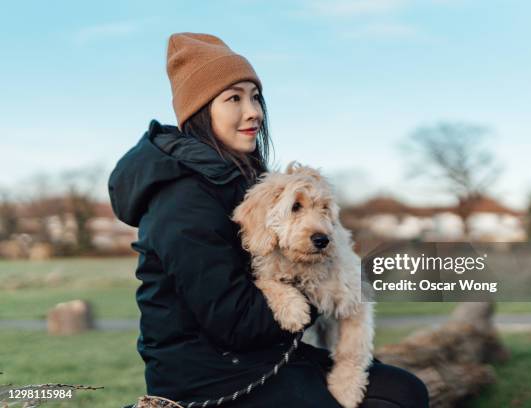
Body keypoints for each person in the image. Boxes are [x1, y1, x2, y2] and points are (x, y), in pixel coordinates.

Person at [109, 32, 429, 408]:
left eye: (255, 96)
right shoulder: (182, 200)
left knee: (404, 392)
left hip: (261, 358)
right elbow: (237, 323)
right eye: (234, 98)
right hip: (208, 379)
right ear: (199, 111)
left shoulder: (238, 178)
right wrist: (326, 282)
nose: (254, 112)